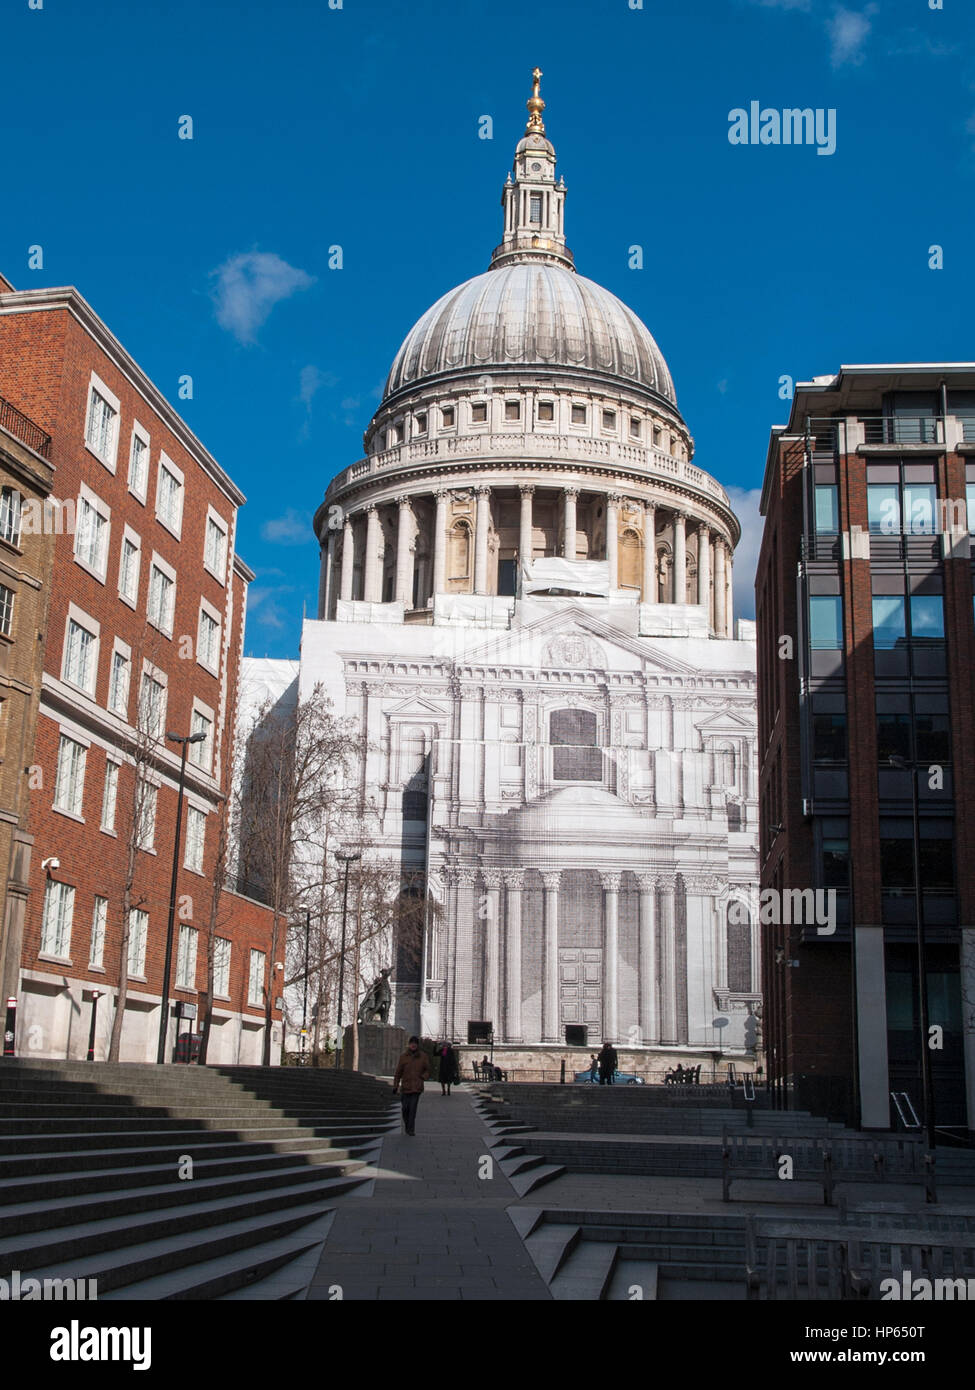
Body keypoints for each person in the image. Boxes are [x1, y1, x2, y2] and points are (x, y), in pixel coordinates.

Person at [392, 1036, 430, 1136]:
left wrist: (423, 1077)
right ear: (409, 1045)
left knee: (413, 1108)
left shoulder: (423, 1056)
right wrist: (395, 1085)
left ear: (417, 1045)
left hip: (417, 1087)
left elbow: (427, 1070)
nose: (413, 1045)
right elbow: (398, 1072)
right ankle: (407, 1125)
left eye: (415, 1043)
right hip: (405, 1086)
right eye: (411, 1043)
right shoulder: (403, 1057)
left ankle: (411, 1129)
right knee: (405, 1109)